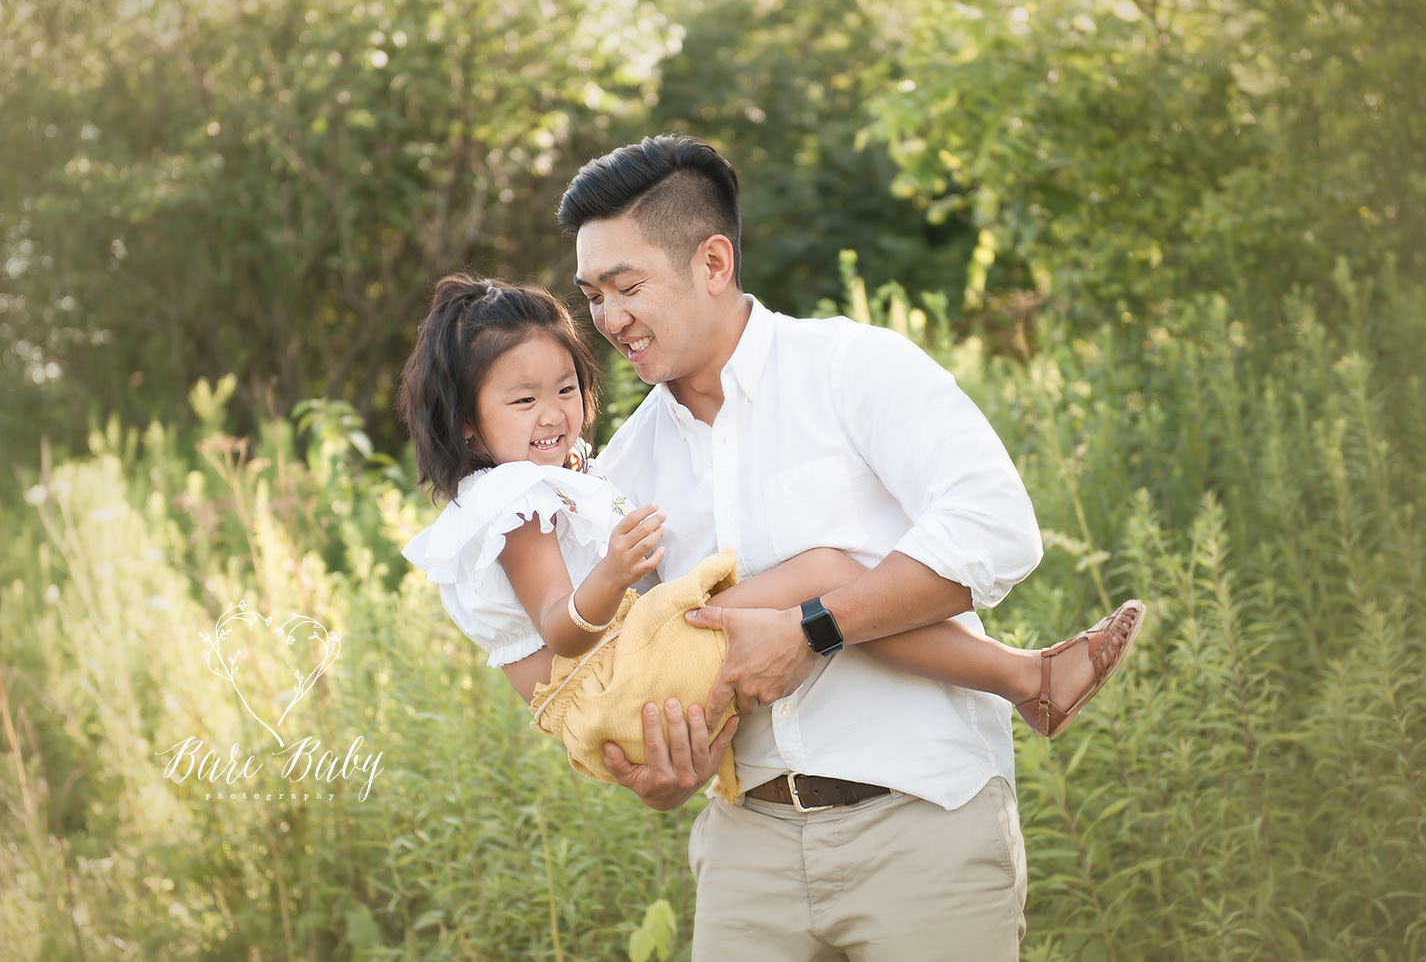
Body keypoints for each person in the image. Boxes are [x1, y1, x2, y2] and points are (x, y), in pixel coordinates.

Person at [557, 134, 1142, 961]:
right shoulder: (626, 469)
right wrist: (661, 766)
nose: (609, 319)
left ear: (714, 262)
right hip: (746, 848)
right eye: (592, 296)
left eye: (628, 287)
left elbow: (995, 528)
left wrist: (814, 629)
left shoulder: (852, 369)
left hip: (922, 824)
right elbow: (639, 658)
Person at [393, 273, 1143, 829]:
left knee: (821, 599)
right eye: (522, 402)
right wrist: (620, 571)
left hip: (627, 685)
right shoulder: (509, 502)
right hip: (608, 683)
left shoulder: (577, 477)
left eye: (566, 387)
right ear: (466, 426)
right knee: (824, 575)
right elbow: (561, 626)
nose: (554, 413)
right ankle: (1024, 677)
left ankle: (1026, 680)